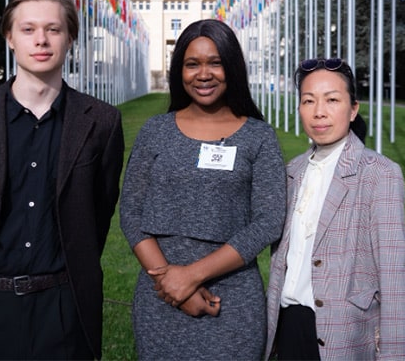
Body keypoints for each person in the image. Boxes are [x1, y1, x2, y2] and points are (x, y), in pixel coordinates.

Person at [0, 0, 124, 360]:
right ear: (9, 37)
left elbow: (98, 212)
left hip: (64, 305)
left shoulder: (102, 122)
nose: (41, 40)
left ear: (70, 38)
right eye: (28, 30)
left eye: (53, 29)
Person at [120, 18, 286, 360]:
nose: (204, 74)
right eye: (192, 64)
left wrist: (191, 277)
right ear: (179, 71)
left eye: (215, 63)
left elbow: (268, 221)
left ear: (232, 67)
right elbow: (131, 211)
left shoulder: (259, 136)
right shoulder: (155, 131)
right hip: (160, 295)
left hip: (232, 300)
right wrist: (171, 284)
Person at [265, 58, 405, 360]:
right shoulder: (292, 171)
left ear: (353, 109)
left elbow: (396, 274)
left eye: (332, 100)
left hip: (346, 335)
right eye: (309, 101)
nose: (319, 111)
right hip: (288, 326)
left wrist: (395, 354)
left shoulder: (378, 173)